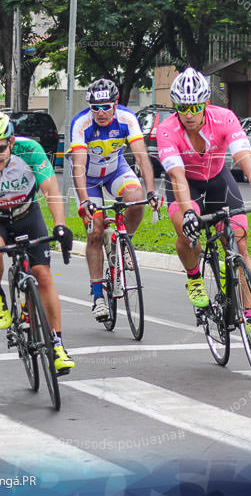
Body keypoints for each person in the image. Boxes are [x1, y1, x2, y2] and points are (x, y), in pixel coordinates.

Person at [157, 67, 251, 336]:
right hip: (184, 184)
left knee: (239, 241)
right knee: (186, 229)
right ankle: (193, 277)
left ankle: (249, 315)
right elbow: (176, 175)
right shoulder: (167, 130)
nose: (189, 114)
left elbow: (245, 162)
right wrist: (189, 211)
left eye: (195, 107)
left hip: (217, 181)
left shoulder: (225, 119)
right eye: (182, 107)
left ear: (206, 103)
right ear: (175, 106)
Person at [0, 110, 76, 375]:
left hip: (26, 214)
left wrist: (60, 226)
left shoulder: (30, 150)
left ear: (11, 141)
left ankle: (57, 345)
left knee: (43, 275)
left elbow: (51, 190)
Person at [68, 78, 162, 322]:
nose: (100, 113)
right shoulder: (81, 123)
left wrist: (151, 191)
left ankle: (124, 242)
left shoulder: (127, 119)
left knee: (136, 197)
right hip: (88, 179)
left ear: (116, 103)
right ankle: (98, 296)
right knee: (96, 232)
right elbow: (78, 166)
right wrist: (84, 201)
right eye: (95, 107)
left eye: (106, 106)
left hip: (115, 171)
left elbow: (142, 158)